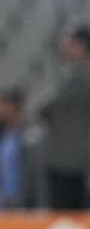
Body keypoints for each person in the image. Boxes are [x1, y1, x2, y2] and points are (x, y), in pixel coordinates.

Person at [37, 24, 90, 209]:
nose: (63, 46)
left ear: (80, 45)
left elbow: (45, 107)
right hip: (69, 157)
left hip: (68, 159)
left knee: (67, 215)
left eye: (68, 42)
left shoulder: (81, 76)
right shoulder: (71, 75)